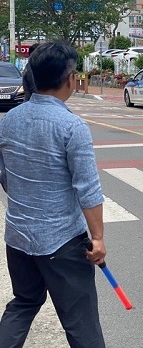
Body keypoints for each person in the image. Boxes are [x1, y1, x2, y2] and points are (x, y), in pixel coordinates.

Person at [0, 40, 106, 347]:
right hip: (62, 243)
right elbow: (87, 188)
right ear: (70, 77)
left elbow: (5, 176)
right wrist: (97, 238)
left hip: (18, 238)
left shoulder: (10, 121)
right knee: (81, 323)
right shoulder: (72, 127)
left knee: (24, 303)